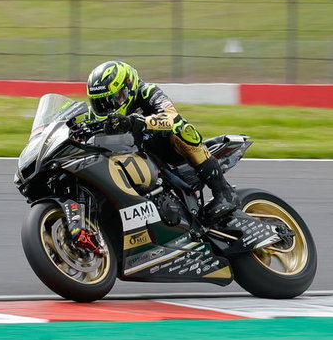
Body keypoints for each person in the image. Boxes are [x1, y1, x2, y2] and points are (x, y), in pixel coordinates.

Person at [73, 60, 240, 223]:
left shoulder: (147, 92)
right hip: (128, 159)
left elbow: (171, 116)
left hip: (163, 150)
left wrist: (135, 122)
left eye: (114, 98)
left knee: (182, 129)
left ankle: (223, 192)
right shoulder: (92, 115)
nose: (107, 106)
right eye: (99, 103)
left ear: (128, 87)